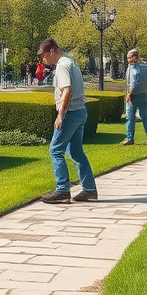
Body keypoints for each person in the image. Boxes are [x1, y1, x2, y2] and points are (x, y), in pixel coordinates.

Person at [36, 38, 98, 204]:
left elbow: (66, 90)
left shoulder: (62, 65)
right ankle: (89, 189)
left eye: (43, 55)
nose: (42, 59)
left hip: (70, 114)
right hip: (80, 112)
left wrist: (60, 115)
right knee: (76, 152)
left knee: (55, 150)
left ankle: (62, 190)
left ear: (51, 52)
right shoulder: (71, 62)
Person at [123, 49, 147, 146]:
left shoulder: (133, 68)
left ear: (134, 58)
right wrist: (144, 87)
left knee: (130, 117)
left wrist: (129, 94)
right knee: (144, 116)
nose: (128, 59)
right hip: (143, 94)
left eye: (129, 57)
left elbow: (134, 81)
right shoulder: (145, 67)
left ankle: (130, 138)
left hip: (134, 95)